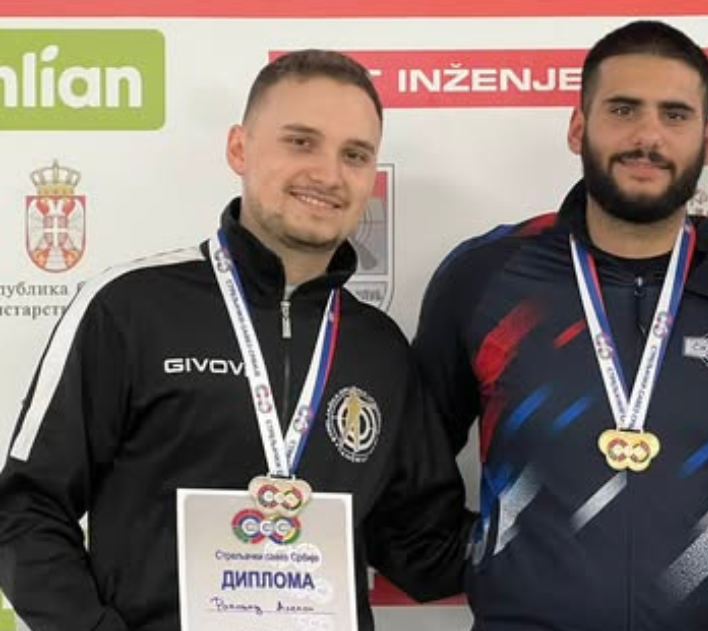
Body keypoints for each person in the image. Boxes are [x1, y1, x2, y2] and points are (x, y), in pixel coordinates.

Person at [0, 49, 469, 630]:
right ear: (239, 149)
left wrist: (559, 516)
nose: (328, 174)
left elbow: (421, 548)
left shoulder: (379, 349)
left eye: (354, 154)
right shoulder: (130, 308)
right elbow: (26, 508)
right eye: (301, 142)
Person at [414, 20, 708, 631]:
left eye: (675, 115)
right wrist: (495, 568)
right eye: (623, 109)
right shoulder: (486, 278)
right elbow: (412, 471)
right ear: (578, 127)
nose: (647, 136)